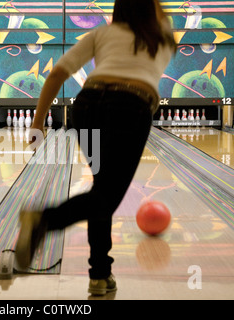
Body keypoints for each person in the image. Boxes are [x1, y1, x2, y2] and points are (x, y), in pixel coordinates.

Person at [15, 0, 177, 296]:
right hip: (131, 108)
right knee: (106, 197)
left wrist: (37, 122)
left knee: (101, 192)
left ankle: (100, 275)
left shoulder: (101, 33)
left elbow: (56, 74)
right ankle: (42, 220)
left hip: (87, 106)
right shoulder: (162, 36)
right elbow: (160, 13)